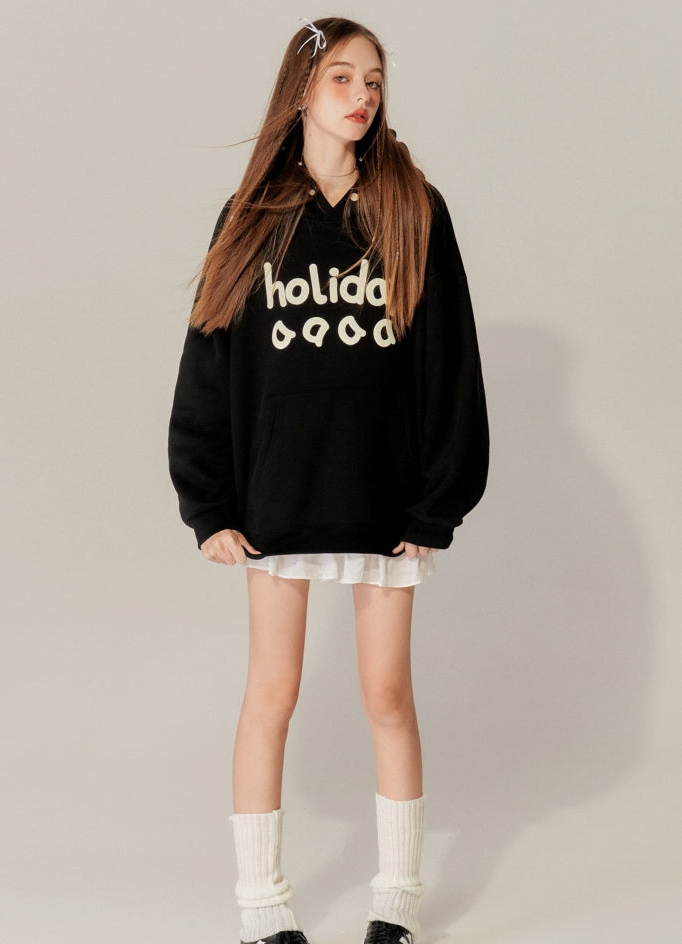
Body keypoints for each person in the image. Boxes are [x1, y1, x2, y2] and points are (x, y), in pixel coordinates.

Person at [168, 16, 488, 944]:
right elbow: (208, 367)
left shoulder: (412, 209)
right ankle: (262, 904)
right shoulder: (250, 219)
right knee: (272, 694)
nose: (362, 96)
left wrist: (437, 502)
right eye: (343, 77)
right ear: (301, 89)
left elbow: (450, 364)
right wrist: (209, 505)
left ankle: (398, 898)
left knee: (388, 696)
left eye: (374, 81)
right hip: (280, 500)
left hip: (384, 502)